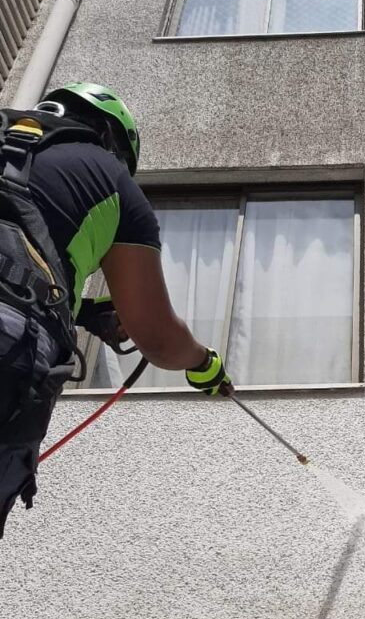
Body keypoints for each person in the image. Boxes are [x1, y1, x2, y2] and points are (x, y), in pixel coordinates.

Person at [0, 81, 232, 538]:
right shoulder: (109, 177)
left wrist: (81, 312)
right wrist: (203, 365)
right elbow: (159, 339)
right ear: (112, 138)